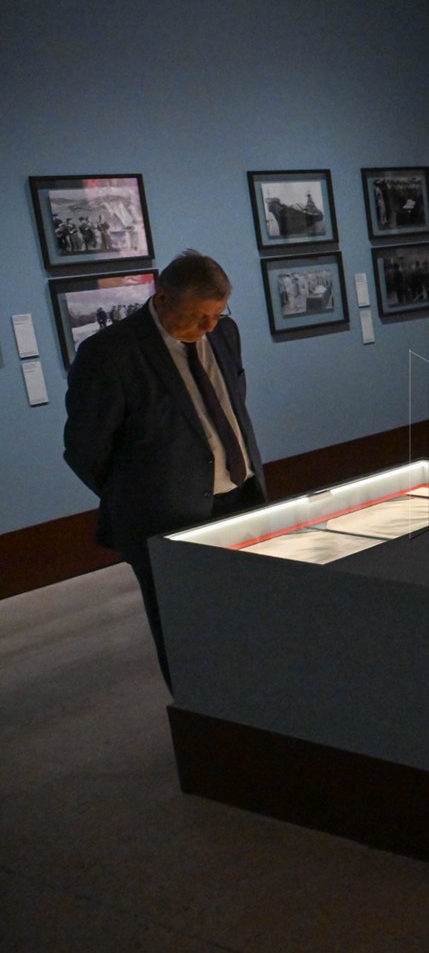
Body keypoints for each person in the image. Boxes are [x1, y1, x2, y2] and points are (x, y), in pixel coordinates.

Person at [63, 250, 266, 690]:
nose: (209, 327)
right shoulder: (110, 353)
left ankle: (254, 700)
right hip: (165, 518)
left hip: (239, 499)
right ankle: (201, 714)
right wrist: (140, 494)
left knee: (248, 615)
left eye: (217, 314)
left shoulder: (224, 333)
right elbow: (85, 448)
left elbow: (231, 405)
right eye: (198, 316)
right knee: (185, 630)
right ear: (162, 299)